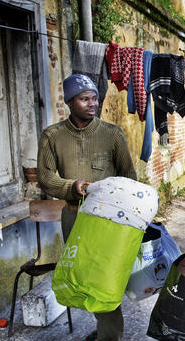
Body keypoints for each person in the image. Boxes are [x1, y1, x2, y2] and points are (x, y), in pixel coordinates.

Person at [37, 74, 137, 341]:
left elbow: (129, 176)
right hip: (73, 216)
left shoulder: (112, 134)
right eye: (84, 99)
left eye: (94, 98)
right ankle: (107, 329)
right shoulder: (52, 136)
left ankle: (109, 334)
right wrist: (72, 186)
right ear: (70, 102)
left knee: (106, 280)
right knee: (86, 279)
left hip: (109, 222)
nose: (92, 104)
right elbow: (46, 178)